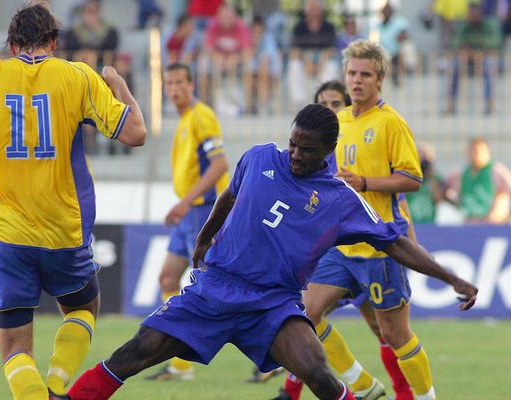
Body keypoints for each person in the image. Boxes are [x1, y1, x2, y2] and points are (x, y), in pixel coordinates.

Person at [66, 104, 477, 400]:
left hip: (272, 305)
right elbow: (228, 195)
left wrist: (451, 277)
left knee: (318, 372)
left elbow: (395, 241)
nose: (296, 154)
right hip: (215, 289)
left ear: (329, 149)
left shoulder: (341, 199)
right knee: (136, 352)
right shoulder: (261, 156)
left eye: (307, 149)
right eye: (293, 144)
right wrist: (205, 236)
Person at [0, 3, 146, 400]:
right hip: (64, 230)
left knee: (15, 349)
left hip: (7, 235)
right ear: (54, 42)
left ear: (11, 44)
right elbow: (136, 134)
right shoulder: (77, 76)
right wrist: (121, 88)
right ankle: (56, 384)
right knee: (84, 308)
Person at [281, 39, 443, 400]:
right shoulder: (337, 123)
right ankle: (360, 384)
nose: (356, 80)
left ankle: (426, 397)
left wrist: (365, 183)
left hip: (380, 245)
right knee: (305, 312)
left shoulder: (390, 123)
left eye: (365, 74)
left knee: (395, 335)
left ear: (379, 79)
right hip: (341, 244)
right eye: (352, 73)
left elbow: (412, 178)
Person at [273, 80, 413, 400]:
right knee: (306, 313)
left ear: (347, 107)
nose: (330, 110)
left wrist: (410, 247)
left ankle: (400, 391)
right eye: (323, 104)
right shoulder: (310, 157)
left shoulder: (355, 149)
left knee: (384, 330)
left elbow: (396, 203)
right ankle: (354, 385)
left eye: (336, 104)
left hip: (369, 251)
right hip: (334, 252)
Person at [144, 62, 230, 381]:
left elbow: (220, 164)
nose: (174, 88)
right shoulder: (183, 120)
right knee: (168, 279)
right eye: (169, 83)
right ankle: (181, 363)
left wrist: (184, 201)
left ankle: (266, 342)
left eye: (179, 82)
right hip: (188, 212)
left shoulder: (201, 116)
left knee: (204, 287)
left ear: (191, 84)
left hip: (202, 211)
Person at [444, 137, 511, 224]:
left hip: (493, 224)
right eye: (472, 151)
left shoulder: (498, 172)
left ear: (487, 152)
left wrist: (504, 214)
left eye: (478, 151)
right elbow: (444, 192)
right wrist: (457, 205)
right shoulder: (460, 174)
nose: (475, 154)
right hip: (470, 224)